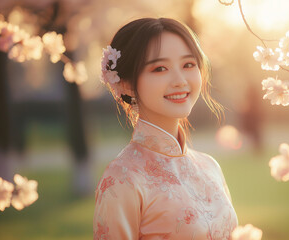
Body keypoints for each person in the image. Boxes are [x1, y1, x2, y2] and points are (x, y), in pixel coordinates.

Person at [93, 17, 238, 240]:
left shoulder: (210, 167)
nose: (180, 80)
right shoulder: (123, 179)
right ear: (127, 84)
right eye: (160, 68)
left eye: (188, 65)